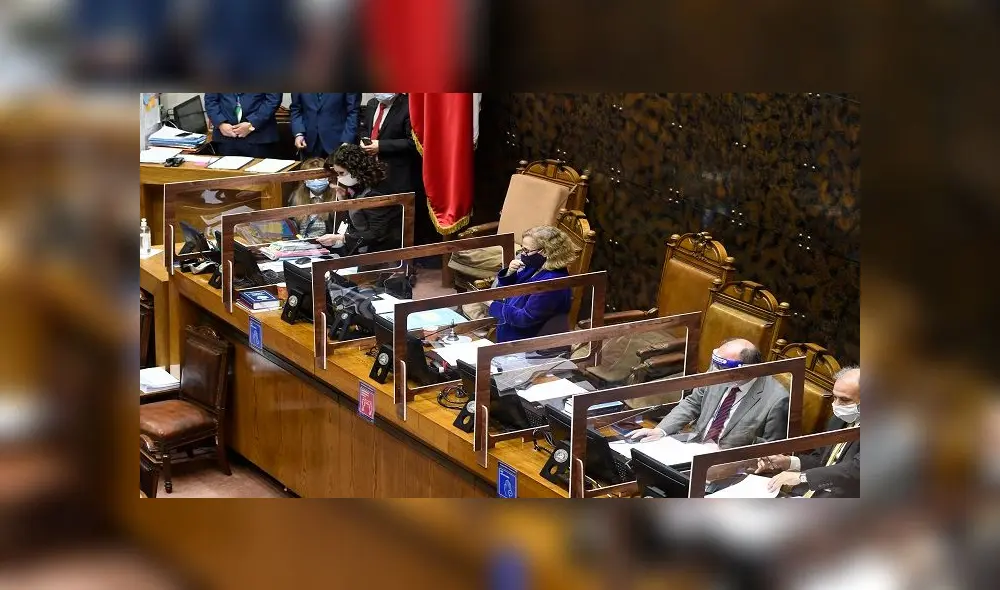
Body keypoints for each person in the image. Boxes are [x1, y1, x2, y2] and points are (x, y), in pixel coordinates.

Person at [626, 338, 790, 448]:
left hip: (727, 467)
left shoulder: (776, 400)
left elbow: (769, 451)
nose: (714, 372)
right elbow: (693, 402)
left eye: (722, 368)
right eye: (715, 365)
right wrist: (660, 430)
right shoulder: (717, 371)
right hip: (692, 445)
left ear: (746, 370)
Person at [755, 366, 861, 497]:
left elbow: (856, 469)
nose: (836, 405)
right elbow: (822, 459)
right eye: (834, 397)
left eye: (845, 400)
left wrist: (803, 477)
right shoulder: (838, 419)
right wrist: (787, 462)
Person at [358, 93, 434, 245]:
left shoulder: (409, 107)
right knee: (379, 223)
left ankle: (407, 260)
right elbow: (365, 129)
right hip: (375, 174)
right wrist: (363, 140)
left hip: (400, 175)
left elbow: (415, 143)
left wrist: (381, 146)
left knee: (402, 224)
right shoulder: (373, 104)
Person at [488, 226, 579, 343]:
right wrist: (509, 274)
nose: (522, 254)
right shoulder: (535, 267)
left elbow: (525, 318)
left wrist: (492, 305)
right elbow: (509, 294)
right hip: (514, 341)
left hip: (533, 351)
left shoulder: (552, 284)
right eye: (522, 248)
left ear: (545, 251)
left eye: (526, 250)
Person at [314, 144, 401, 255]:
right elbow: (356, 220)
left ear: (355, 169)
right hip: (362, 247)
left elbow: (377, 233)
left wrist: (342, 238)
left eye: (341, 173)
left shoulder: (375, 193)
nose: (339, 178)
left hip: (380, 254)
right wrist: (344, 203)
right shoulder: (359, 186)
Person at [204, 93, 281, 158]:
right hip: (226, 137)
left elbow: (273, 100)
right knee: (228, 174)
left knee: (259, 175)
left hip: (259, 138)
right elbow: (210, 100)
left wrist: (252, 123)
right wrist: (221, 123)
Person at [290, 93, 362, 158]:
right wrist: (299, 133)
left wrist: (347, 140)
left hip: (339, 144)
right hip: (308, 143)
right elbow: (295, 109)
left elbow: (354, 112)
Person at [287, 157, 336, 238]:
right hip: (301, 243)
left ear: (329, 177)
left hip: (327, 245)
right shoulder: (295, 197)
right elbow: (290, 225)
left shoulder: (336, 197)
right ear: (304, 180)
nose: (316, 181)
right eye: (312, 178)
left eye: (320, 177)